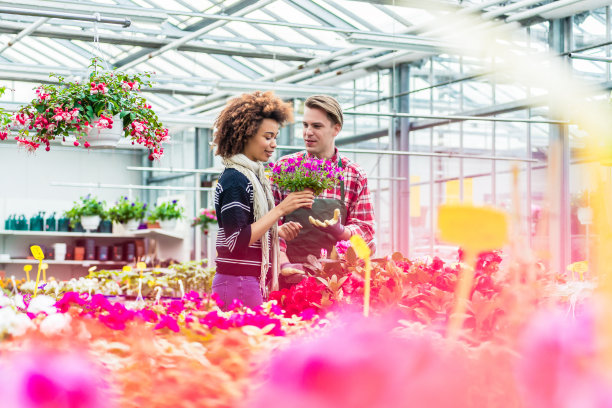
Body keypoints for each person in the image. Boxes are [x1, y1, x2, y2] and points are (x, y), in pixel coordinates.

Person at [212, 91, 314, 310]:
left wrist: (276, 231)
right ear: (245, 135)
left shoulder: (253, 177)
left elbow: (246, 232)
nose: (273, 144)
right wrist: (280, 210)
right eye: (267, 137)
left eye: (275, 137)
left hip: (246, 281)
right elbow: (236, 242)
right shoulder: (235, 180)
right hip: (238, 282)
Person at [272, 95, 376, 284]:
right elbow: (270, 223)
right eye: (305, 125)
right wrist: (283, 264)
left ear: (336, 129)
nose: (307, 133)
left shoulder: (353, 174)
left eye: (316, 126)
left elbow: (366, 230)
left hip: (335, 280)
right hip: (286, 277)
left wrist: (341, 231)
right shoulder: (285, 168)